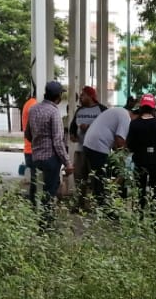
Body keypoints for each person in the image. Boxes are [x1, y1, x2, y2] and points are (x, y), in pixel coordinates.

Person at [24, 81, 73, 229]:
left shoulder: (33, 109)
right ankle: (46, 225)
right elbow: (58, 141)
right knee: (49, 192)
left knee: (37, 189)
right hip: (51, 159)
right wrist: (67, 162)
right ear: (58, 96)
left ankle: (34, 218)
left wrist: (38, 143)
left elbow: (28, 134)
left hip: (36, 157)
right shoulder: (54, 112)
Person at [81, 101, 134, 208]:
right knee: (102, 179)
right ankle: (104, 208)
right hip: (98, 146)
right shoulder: (126, 118)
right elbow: (119, 140)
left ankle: (102, 205)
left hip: (90, 143)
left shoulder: (118, 111)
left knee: (99, 178)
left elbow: (116, 141)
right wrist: (123, 160)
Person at [126, 93, 156, 210]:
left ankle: (140, 212)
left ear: (141, 107)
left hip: (140, 160)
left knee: (140, 188)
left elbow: (129, 144)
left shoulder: (134, 124)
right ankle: (154, 213)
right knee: (155, 188)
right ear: (153, 108)